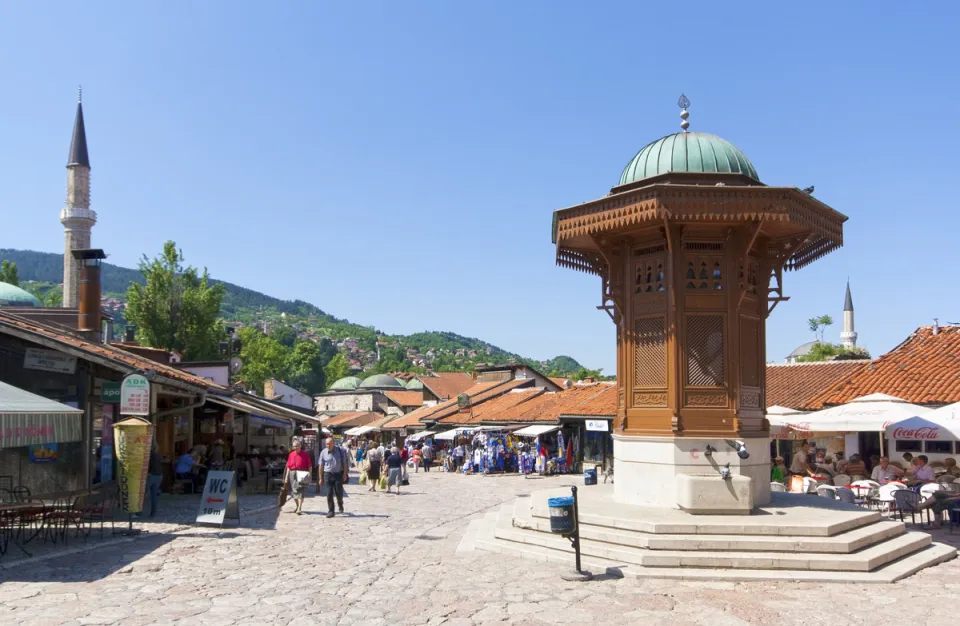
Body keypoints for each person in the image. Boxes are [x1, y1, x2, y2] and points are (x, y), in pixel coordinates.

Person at [319, 437, 349, 517]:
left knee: (339, 493)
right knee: (329, 493)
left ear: (333, 443)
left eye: (329, 443)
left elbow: (344, 463)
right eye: (326, 443)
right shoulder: (323, 452)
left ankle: (340, 503)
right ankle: (331, 511)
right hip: (327, 474)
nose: (327, 445)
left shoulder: (340, 451)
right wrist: (320, 477)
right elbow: (321, 466)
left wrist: (345, 473)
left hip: (337, 474)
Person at [285, 438, 312, 515]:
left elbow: (310, 465)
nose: (295, 447)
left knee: (301, 490)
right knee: (294, 491)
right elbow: (288, 467)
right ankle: (297, 506)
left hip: (302, 473)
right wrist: (286, 477)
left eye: (297, 446)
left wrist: (310, 475)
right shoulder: (291, 454)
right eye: (294, 446)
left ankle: (299, 508)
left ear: (300, 446)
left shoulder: (305, 454)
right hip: (292, 473)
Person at [144, 440, 163, 518]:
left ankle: (138, 513)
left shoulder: (149, 455)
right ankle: (153, 513)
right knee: (154, 495)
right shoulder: (157, 455)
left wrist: (148, 472)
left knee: (141, 494)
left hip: (151, 476)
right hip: (159, 476)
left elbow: (148, 465)